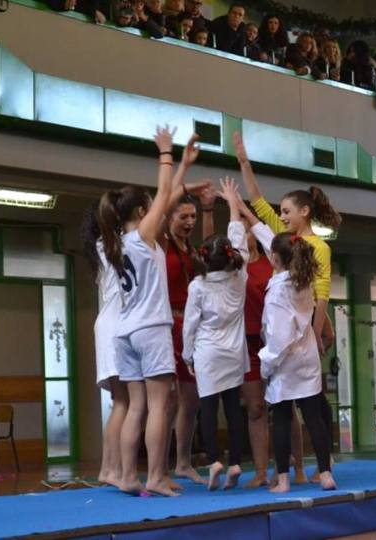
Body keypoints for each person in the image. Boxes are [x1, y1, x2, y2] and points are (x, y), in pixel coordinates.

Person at [234, 131, 340, 481]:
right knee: (306, 408)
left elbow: (322, 297)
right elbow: (259, 209)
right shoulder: (285, 240)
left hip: (300, 337)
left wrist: (320, 331)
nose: (282, 216)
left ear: (305, 212)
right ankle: (319, 470)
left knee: (299, 410)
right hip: (302, 341)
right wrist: (244, 163)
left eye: (287, 212)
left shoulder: (311, 250)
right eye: (281, 213)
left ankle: (298, 472)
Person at [108, 127, 197, 497]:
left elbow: (169, 194)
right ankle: (156, 475)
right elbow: (164, 195)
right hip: (150, 327)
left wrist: (184, 167)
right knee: (160, 405)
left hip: (124, 331)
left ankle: (128, 475)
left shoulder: (118, 242)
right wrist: (165, 154)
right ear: (143, 213)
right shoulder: (143, 236)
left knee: (135, 407)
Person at [232, 192, 308, 487]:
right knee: (255, 408)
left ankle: (297, 468)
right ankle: (262, 472)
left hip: (276, 342)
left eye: (246, 228)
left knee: (286, 406)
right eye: (238, 229)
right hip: (248, 343)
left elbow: (265, 231)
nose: (244, 233)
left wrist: (244, 210)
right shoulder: (234, 269)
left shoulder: (273, 263)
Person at [182, 178, 250, 490]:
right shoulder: (240, 277)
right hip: (234, 352)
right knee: (233, 408)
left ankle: (214, 460)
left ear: (204, 258)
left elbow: (190, 325)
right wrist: (233, 204)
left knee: (208, 409)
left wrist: (186, 355)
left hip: (208, 352)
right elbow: (238, 236)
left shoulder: (198, 286)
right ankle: (235, 461)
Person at [260, 232, 337, 493]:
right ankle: (326, 474)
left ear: (274, 258)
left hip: (286, 360)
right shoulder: (304, 282)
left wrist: (266, 364)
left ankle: (283, 479)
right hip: (308, 357)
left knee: (282, 418)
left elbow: (278, 336)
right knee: (313, 417)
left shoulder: (277, 291)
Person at [161, 179, 214, 485]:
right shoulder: (159, 243)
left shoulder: (191, 248)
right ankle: (160, 466)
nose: (189, 222)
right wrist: (182, 186)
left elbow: (210, 250)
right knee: (165, 400)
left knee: (191, 399)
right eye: (184, 217)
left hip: (189, 327)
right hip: (165, 324)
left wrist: (208, 208)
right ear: (169, 218)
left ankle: (183, 461)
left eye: (193, 217)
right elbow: (163, 204)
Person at [81, 205, 128, 488]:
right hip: (113, 326)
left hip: (108, 324)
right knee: (125, 402)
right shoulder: (110, 246)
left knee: (120, 402)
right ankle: (112, 468)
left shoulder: (103, 247)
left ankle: (109, 468)